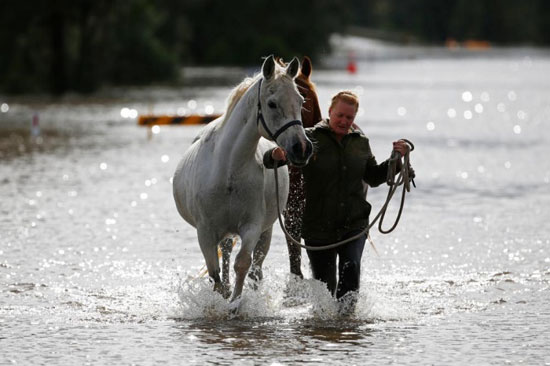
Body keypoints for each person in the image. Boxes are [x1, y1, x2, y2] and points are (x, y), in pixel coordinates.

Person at [264, 90, 409, 313]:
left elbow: (373, 177)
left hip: (354, 224)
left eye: (349, 117)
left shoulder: (361, 143)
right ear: (330, 112)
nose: (344, 121)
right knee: (325, 289)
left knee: (351, 271)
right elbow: (274, 161)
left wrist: (397, 162)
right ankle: (326, 336)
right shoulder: (309, 138)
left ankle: (346, 329)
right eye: (340, 115)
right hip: (318, 228)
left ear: (354, 119)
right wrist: (274, 156)